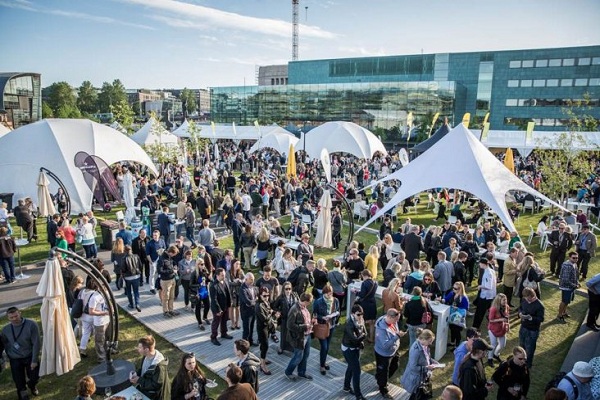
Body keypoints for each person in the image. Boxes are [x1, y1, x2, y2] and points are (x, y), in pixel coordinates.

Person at [0, 307, 41, 399]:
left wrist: (34, 360)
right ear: (8, 318)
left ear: (20, 313)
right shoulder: (5, 330)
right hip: (15, 358)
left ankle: (32, 385)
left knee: (35, 377)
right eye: (11, 318)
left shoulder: (31, 324)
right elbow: (3, 343)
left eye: (16, 316)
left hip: (29, 356)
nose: (14, 319)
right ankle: (23, 394)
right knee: (18, 380)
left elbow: (36, 343)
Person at [401, 328, 442, 400]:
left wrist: (434, 362)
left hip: (422, 377)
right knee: (415, 396)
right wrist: (427, 368)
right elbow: (413, 367)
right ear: (423, 339)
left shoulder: (424, 346)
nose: (431, 343)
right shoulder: (416, 351)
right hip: (416, 380)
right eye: (430, 341)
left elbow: (426, 358)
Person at [374, 308, 406, 399]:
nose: (397, 321)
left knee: (395, 365)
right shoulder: (381, 328)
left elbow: (395, 331)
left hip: (393, 351)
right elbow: (385, 345)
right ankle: (383, 389)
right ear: (389, 317)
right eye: (396, 319)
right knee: (384, 372)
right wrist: (397, 336)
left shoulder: (393, 321)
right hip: (383, 354)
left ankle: (379, 378)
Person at [284, 292, 317, 381]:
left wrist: (311, 322)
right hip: (298, 338)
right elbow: (290, 325)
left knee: (305, 355)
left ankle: (301, 372)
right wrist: (305, 326)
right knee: (298, 357)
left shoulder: (304, 308)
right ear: (305, 301)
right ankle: (288, 372)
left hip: (307, 335)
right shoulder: (294, 310)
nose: (309, 304)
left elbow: (305, 320)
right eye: (309, 302)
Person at [130, 335, 171, 400]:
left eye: (140, 347)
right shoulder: (146, 356)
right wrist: (137, 374)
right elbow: (144, 369)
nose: (138, 349)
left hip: (153, 395)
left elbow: (155, 385)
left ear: (146, 349)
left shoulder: (158, 366)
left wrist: (139, 380)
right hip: (145, 389)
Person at [313, 283, 340, 375]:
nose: (330, 295)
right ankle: (322, 366)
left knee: (327, 346)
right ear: (324, 293)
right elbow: (315, 314)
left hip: (331, 326)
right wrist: (322, 318)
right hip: (322, 326)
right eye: (328, 293)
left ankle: (323, 362)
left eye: (331, 293)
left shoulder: (335, 300)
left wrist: (335, 317)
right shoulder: (318, 302)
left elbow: (338, 311)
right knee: (324, 346)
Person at [341, 304, 367, 399]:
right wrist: (362, 336)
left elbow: (365, 332)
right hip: (348, 349)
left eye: (362, 314)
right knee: (357, 371)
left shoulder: (360, 320)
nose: (360, 316)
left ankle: (346, 387)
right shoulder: (349, 324)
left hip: (355, 347)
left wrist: (362, 329)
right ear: (352, 314)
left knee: (351, 367)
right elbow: (356, 339)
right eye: (358, 314)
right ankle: (358, 395)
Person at [518, 287, 545, 369]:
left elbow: (541, 319)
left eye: (527, 298)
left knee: (529, 349)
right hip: (523, 327)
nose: (526, 299)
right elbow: (520, 308)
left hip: (532, 330)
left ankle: (527, 364)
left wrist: (531, 318)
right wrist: (520, 313)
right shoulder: (524, 300)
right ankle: (520, 361)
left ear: (532, 295)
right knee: (521, 346)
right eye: (525, 298)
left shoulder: (539, 305)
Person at [255, 287, 279, 375]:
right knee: (265, 345)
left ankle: (263, 359)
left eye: (268, 295)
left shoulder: (266, 302)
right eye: (264, 296)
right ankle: (262, 365)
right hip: (262, 328)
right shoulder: (258, 306)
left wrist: (273, 312)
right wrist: (273, 316)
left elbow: (269, 310)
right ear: (260, 295)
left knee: (264, 345)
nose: (266, 297)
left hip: (267, 327)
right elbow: (264, 319)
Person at [272, 281, 299, 354]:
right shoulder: (280, 298)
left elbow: (298, 304)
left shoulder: (294, 296)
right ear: (283, 289)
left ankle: (292, 348)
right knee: (284, 334)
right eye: (286, 289)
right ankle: (282, 348)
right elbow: (274, 307)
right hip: (285, 319)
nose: (288, 291)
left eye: (289, 289)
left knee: (292, 334)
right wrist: (279, 312)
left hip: (293, 319)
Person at [209, 268, 233, 346]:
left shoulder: (225, 281)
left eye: (224, 275)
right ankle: (213, 337)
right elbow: (214, 299)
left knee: (224, 320)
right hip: (218, 308)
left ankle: (224, 333)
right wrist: (218, 310)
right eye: (222, 275)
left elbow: (228, 292)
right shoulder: (213, 285)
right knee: (216, 322)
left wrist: (230, 303)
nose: (224, 276)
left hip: (225, 305)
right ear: (217, 275)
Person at [472, 257, 497, 330]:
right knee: (487, 309)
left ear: (483, 264)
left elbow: (488, 286)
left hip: (485, 295)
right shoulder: (492, 270)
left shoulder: (487, 273)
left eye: (480, 263)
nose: (479, 265)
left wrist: (480, 286)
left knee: (479, 312)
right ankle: (490, 317)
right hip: (490, 295)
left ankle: (475, 327)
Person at [487, 294, 510, 368]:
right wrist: (500, 319)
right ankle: (489, 359)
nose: (505, 301)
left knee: (503, 344)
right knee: (493, 344)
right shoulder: (493, 309)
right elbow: (490, 320)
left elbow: (507, 317)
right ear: (498, 301)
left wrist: (508, 325)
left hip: (502, 329)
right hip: (493, 329)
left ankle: (496, 354)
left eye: (506, 299)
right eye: (503, 300)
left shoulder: (506, 307)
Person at [444, 282, 469, 348]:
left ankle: (457, 345)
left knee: (457, 331)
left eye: (455, 288)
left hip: (458, 317)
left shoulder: (463, 297)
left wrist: (457, 308)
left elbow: (466, 308)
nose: (454, 289)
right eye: (453, 288)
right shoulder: (452, 293)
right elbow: (446, 299)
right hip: (452, 315)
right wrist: (441, 300)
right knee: (452, 328)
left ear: (460, 289)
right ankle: (452, 342)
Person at [557, 252, 580, 324]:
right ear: (569, 257)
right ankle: (559, 315)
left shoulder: (574, 263)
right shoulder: (567, 266)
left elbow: (575, 275)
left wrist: (577, 282)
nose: (576, 259)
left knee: (567, 301)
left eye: (576, 258)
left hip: (571, 286)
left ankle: (564, 312)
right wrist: (575, 285)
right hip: (566, 287)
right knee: (564, 301)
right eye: (574, 258)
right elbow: (565, 280)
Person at [158, 245, 180, 318]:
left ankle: (171, 310)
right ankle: (165, 311)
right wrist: (171, 270)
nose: (174, 256)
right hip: (165, 281)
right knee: (165, 297)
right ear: (170, 252)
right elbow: (160, 271)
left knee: (171, 296)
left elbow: (171, 265)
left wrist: (175, 267)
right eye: (174, 254)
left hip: (172, 279)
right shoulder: (161, 259)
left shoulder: (170, 258)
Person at [122, 244, 143, 312]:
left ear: (125, 250)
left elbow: (123, 269)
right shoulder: (136, 256)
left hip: (128, 277)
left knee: (128, 291)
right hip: (136, 276)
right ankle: (137, 304)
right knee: (136, 291)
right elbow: (140, 265)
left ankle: (131, 304)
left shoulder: (124, 258)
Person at [239, 272, 258, 345]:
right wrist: (255, 300)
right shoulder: (242, 289)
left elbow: (255, 297)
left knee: (252, 328)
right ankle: (244, 346)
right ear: (246, 279)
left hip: (253, 312)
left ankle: (250, 341)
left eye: (253, 279)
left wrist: (253, 301)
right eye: (251, 279)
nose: (252, 281)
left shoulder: (253, 286)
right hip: (246, 313)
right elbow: (248, 302)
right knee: (246, 330)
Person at [146, 230, 166, 295]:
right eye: (153, 235)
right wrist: (151, 261)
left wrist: (162, 251)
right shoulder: (149, 243)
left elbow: (164, 249)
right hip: (153, 261)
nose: (154, 236)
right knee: (152, 274)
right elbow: (148, 254)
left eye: (156, 235)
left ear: (159, 235)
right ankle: (152, 288)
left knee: (159, 274)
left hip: (160, 260)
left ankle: (158, 285)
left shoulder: (162, 241)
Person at [227, 259, 244, 330]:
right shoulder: (228, 272)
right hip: (231, 292)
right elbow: (228, 282)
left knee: (238, 308)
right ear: (232, 264)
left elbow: (244, 279)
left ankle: (237, 322)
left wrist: (240, 281)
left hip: (238, 292)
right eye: (236, 264)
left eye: (239, 264)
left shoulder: (240, 271)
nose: (238, 265)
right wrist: (237, 282)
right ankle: (232, 323)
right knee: (231, 308)